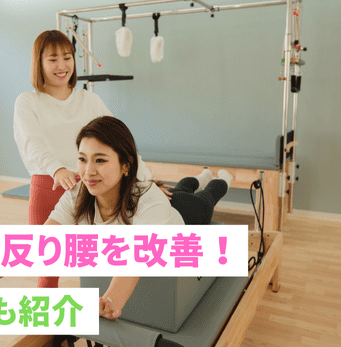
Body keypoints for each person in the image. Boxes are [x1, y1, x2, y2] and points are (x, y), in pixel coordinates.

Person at [45, 116, 233, 319]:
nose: (88, 171)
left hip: (184, 215)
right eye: (82, 159)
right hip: (161, 208)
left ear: (126, 165)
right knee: (182, 187)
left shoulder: (149, 198)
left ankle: (222, 178)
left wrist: (108, 303)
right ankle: (201, 176)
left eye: (100, 160)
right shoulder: (78, 192)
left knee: (207, 198)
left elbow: (136, 259)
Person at [12, 30, 156, 288]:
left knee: (97, 263)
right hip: (49, 185)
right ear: (39, 63)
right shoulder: (27, 102)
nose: (62, 66)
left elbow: (121, 144)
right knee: (47, 267)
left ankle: (100, 315)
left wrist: (147, 182)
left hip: (93, 187)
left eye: (67, 57)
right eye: (53, 59)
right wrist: (57, 170)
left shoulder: (90, 100)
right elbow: (31, 144)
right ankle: (45, 325)